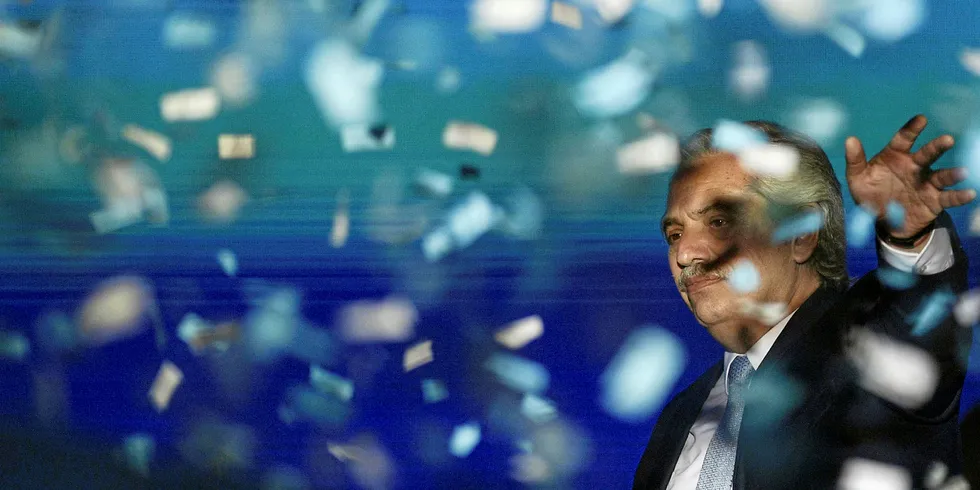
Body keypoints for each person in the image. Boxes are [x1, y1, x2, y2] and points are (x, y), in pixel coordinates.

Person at [633, 115, 975, 490]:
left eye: (717, 221)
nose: (684, 252)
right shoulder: (681, 413)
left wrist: (910, 234)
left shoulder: (867, 350)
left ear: (802, 235)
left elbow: (919, 316)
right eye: (675, 233)